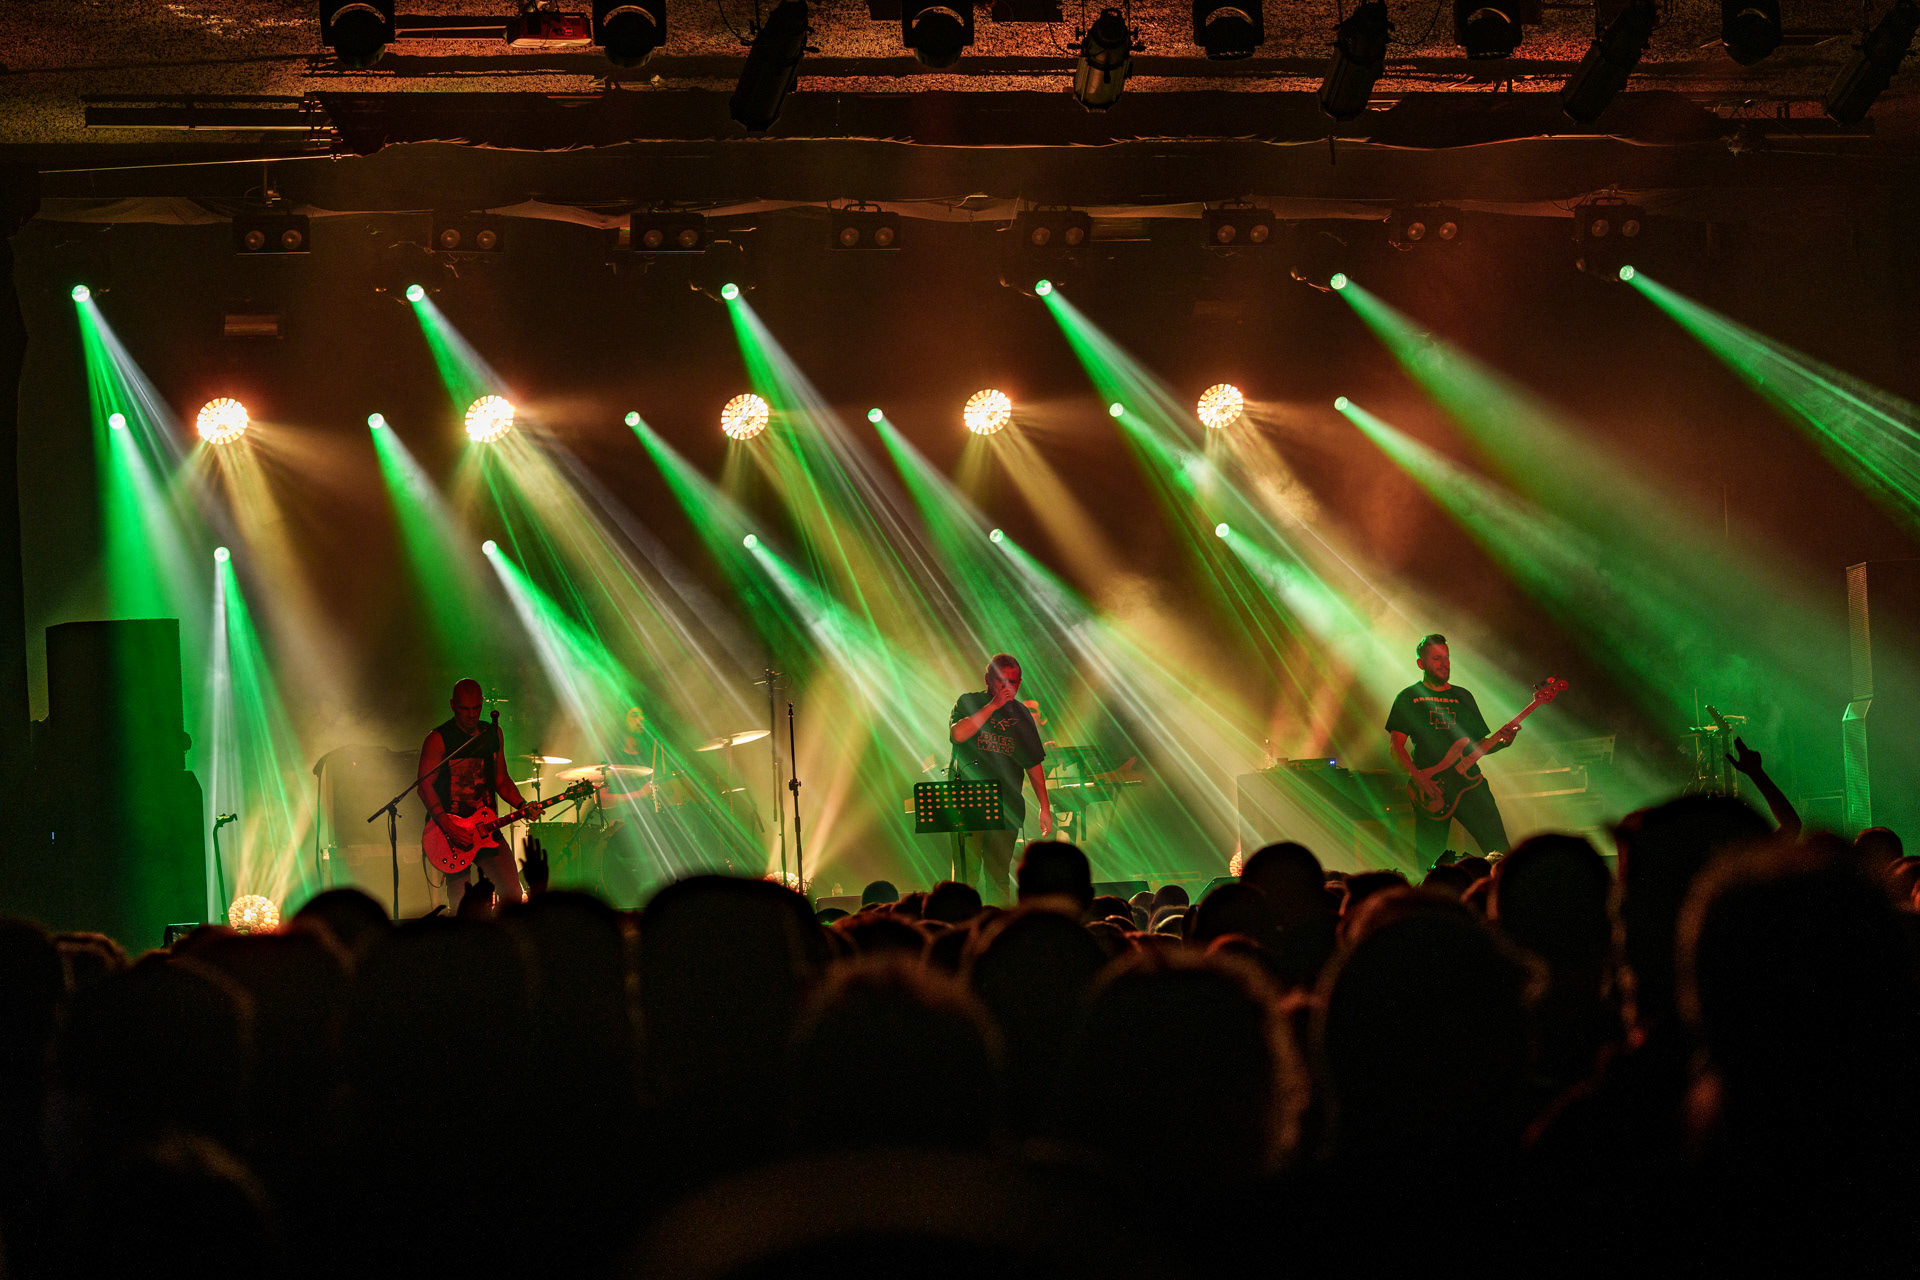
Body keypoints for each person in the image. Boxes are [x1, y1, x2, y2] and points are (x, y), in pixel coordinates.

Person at [1385, 634, 1516, 869]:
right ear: (1420, 663)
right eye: (1437, 658)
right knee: (1429, 857)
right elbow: (1396, 745)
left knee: (1499, 849)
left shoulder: (1463, 696)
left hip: (1470, 783)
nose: (1444, 663)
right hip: (1432, 787)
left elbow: (1478, 745)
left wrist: (1503, 741)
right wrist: (1419, 778)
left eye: (1446, 657)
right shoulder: (1408, 697)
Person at [419, 678, 539, 911]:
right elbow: (424, 786)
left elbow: (501, 781)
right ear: (453, 705)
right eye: (465, 709)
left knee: (513, 893)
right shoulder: (438, 738)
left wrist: (522, 804)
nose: (471, 715)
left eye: (476, 708)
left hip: (487, 828)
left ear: (482, 704)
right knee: (462, 904)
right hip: (451, 832)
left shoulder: (492, 733)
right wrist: (449, 827)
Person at [949, 654, 1052, 900]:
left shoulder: (1022, 714)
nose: (1008, 688)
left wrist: (1044, 807)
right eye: (1002, 681)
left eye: (1014, 682)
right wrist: (993, 705)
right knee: (967, 878)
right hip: (967, 804)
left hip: (1006, 806)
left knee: (999, 877)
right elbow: (959, 735)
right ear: (988, 680)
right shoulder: (969, 701)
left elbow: (1033, 763)